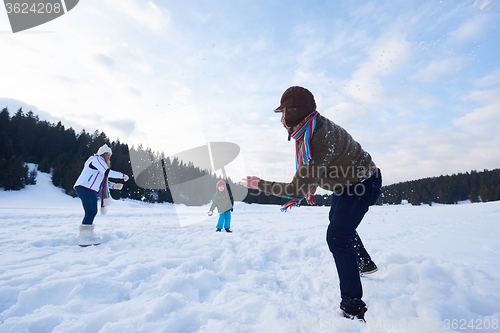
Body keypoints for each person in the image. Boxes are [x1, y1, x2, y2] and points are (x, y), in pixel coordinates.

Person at [242, 86, 382, 322]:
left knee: (338, 236)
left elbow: (295, 188)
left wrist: (260, 183)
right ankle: (364, 263)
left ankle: (353, 305)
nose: (283, 120)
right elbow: (326, 164)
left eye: (284, 114)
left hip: (362, 184)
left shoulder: (315, 141)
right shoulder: (313, 127)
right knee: (339, 226)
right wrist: (312, 183)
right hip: (348, 182)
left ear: (294, 114)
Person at [73, 144, 129, 247]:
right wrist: (122, 175)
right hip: (85, 188)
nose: (109, 157)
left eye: (110, 155)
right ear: (103, 154)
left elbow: (102, 182)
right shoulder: (97, 159)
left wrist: (114, 186)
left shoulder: (99, 164)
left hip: (88, 189)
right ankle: (85, 239)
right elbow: (107, 172)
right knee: (91, 212)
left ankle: (86, 235)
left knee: (91, 212)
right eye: (108, 155)